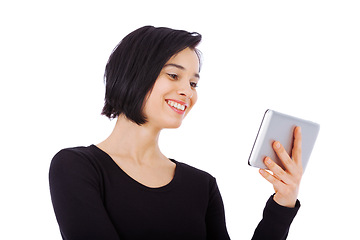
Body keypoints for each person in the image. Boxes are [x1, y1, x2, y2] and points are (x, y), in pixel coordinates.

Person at [49, 26, 302, 240]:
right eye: (173, 75)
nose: (188, 92)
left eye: (193, 83)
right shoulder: (75, 167)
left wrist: (283, 203)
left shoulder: (201, 186)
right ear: (134, 74)